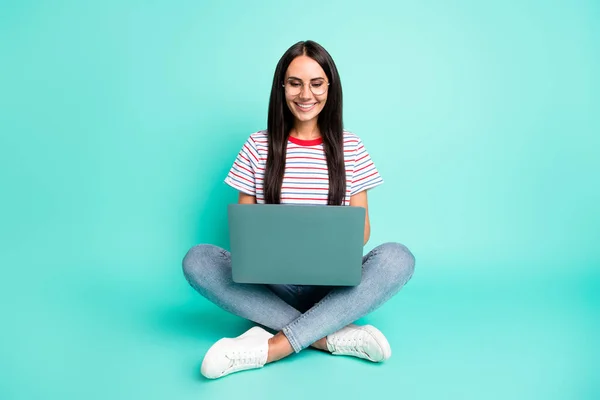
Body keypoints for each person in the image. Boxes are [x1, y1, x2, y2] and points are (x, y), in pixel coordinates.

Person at [182, 40, 415, 379]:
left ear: (330, 88)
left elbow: (361, 232)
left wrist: (326, 232)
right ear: (282, 87)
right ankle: (326, 335)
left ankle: (274, 346)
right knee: (197, 261)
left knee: (399, 258)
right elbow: (243, 228)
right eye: (295, 83)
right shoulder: (257, 145)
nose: (306, 94)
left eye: (316, 83)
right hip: (272, 285)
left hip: (333, 285)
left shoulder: (351, 146)